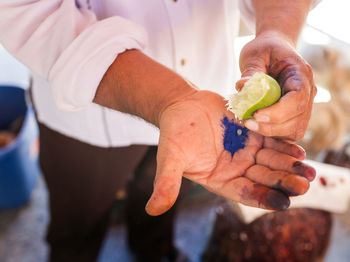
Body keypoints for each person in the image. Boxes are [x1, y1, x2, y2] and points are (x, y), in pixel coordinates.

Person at [0, 0, 319, 261]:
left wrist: (277, 30)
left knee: (160, 204)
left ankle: (154, 251)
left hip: (205, 103)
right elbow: (26, 11)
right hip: (85, 109)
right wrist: (170, 99)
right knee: (76, 225)